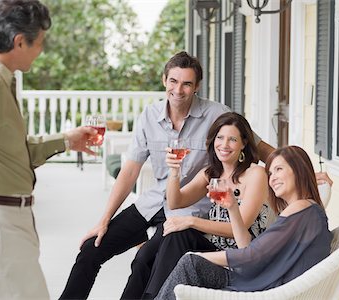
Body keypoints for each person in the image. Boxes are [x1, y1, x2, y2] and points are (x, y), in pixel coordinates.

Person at [59, 51, 278, 299]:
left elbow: (259, 148)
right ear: (164, 80)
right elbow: (130, 171)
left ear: (197, 87)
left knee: (144, 260)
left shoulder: (217, 115)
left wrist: (298, 170)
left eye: (186, 83)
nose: (178, 90)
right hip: (153, 202)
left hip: (191, 208)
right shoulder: (149, 116)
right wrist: (104, 220)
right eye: (173, 81)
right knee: (91, 249)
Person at [0, 1, 99, 299]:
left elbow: (11, 151)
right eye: (40, 42)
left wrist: (66, 140)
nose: (41, 50)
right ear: (19, 41)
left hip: (4, 218)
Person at [121, 112, 269, 299]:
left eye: (232, 139)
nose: (224, 145)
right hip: (215, 248)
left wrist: (191, 221)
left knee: (178, 234)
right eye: (220, 138)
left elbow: (241, 227)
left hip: (240, 256)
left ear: (244, 143)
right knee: (165, 243)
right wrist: (174, 172)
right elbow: (175, 202)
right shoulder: (211, 174)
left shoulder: (255, 174)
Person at [156, 145, 333, 300]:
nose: (272, 178)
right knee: (191, 267)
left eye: (279, 169)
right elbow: (247, 248)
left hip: (265, 289)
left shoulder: (300, 209)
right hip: (264, 283)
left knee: (191, 264)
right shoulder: (308, 211)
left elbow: (250, 256)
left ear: (299, 170)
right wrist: (232, 207)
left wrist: (196, 256)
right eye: (270, 173)